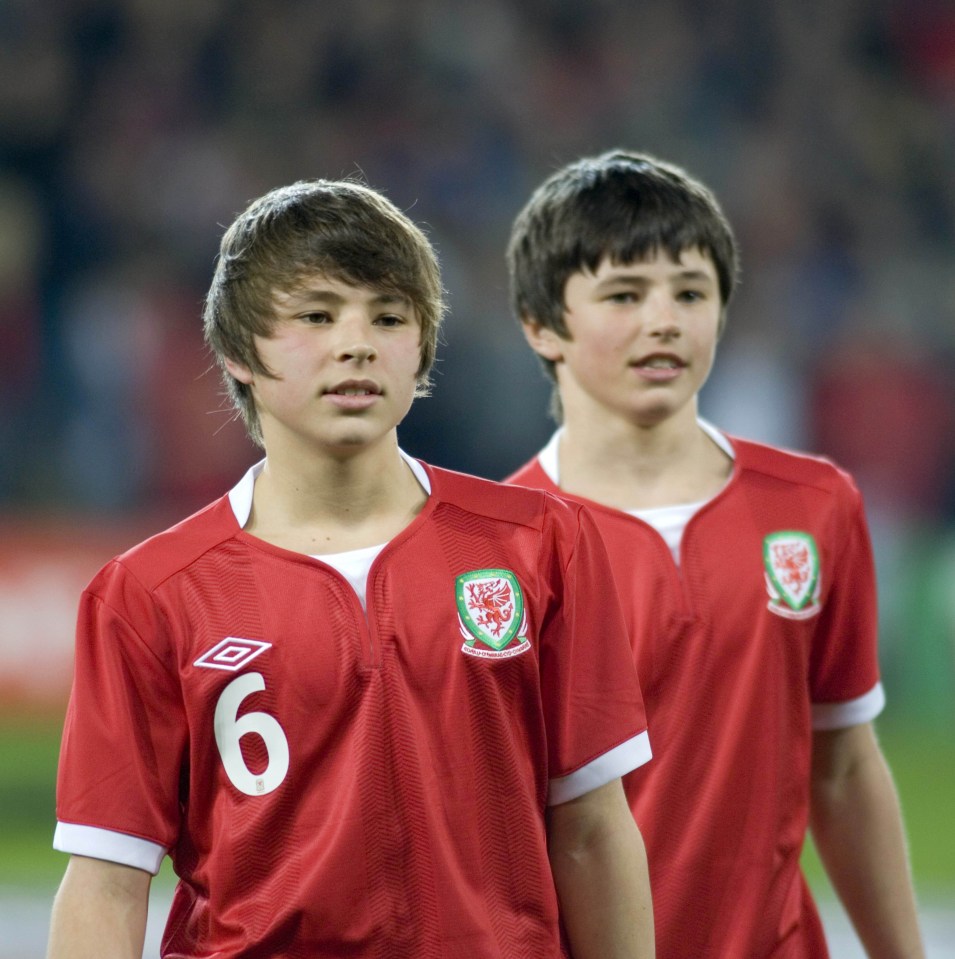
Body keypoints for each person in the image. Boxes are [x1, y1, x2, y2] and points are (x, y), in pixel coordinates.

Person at [47, 178, 656, 958]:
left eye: (389, 316)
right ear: (239, 350)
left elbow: (594, 830)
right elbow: (106, 877)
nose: (357, 342)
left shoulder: (540, 543)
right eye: (316, 315)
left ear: (422, 347)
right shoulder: (149, 594)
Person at [504, 150, 925, 959]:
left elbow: (842, 765)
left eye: (689, 293)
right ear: (541, 324)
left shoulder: (813, 505)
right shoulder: (498, 547)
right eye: (624, 294)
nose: (664, 320)